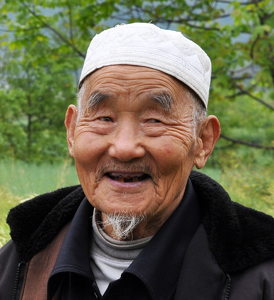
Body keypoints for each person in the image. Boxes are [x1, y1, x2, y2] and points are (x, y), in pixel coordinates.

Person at [1, 23, 274, 300]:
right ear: (72, 132)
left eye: (154, 120)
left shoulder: (259, 276)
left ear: (202, 141)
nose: (124, 148)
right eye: (104, 118)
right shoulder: (19, 265)